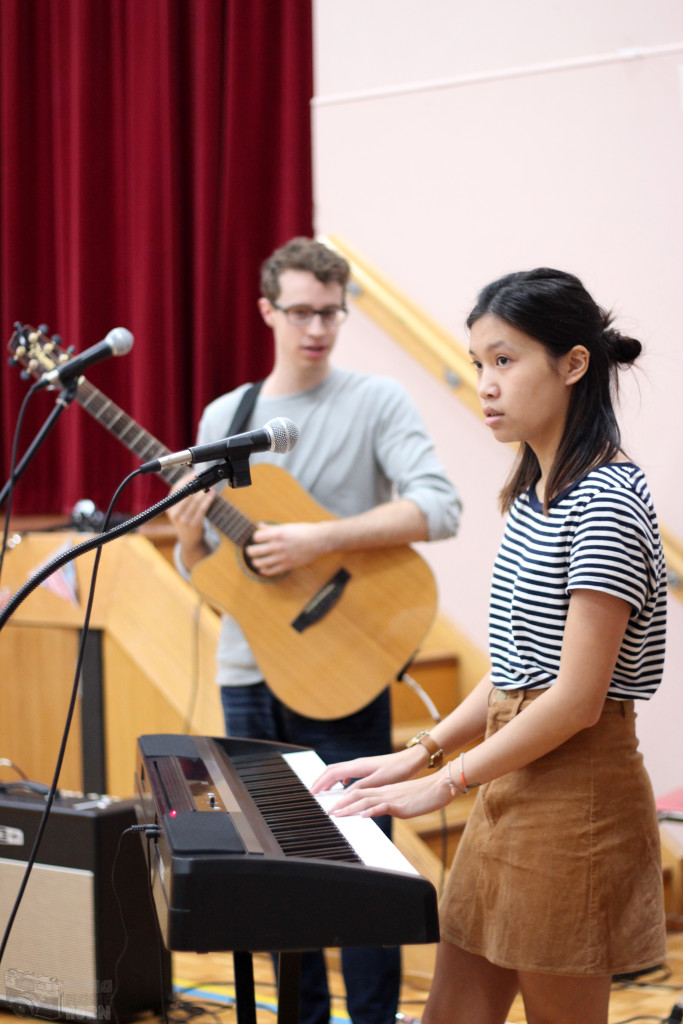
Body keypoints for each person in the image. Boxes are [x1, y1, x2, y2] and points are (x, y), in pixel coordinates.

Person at [312, 267, 668, 1024]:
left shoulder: (604, 499)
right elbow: (517, 673)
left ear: (573, 365)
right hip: (512, 786)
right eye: (478, 363)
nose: (485, 383)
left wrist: (446, 782)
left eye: (505, 360)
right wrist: (419, 753)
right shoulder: (537, 493)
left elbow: (573, 700)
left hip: (575, 802)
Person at [167, 236, 462, 1024]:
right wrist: (192, 540)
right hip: (248, 675)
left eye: (331, 313)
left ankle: (371, 1020)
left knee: (362, 866)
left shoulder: (375, 402)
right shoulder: (226, 417)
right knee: (273, 875)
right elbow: (211, 574)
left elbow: (439, 507)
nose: (317, 329)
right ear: (268, 310)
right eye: (300, 312)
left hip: (341, 664)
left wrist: (319, 539)